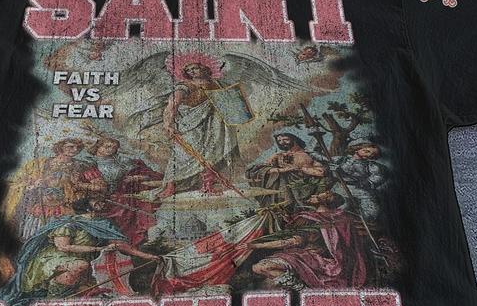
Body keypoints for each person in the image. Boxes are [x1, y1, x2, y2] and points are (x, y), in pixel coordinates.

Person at [0, 199, 161, 306]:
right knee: (79, 265)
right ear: (86, 207)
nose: (101, 203)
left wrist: (147, 256)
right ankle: (53, 300)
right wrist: (96, 250)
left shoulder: (104, 224)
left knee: (83, 269)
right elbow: (63, 246)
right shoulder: (69, 223)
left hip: (84, 257)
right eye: (96, 202)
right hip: (53, 257)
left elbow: (120, 245)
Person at [248, 191, 367, 290]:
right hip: (307, 256)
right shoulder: (332, 217)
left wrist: (257, 245)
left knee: (261, 267)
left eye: (318, 195)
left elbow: (294, 241)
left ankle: (303, 290)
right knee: (257, 268)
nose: (313, 195)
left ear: (325, 200)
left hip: (317, 260)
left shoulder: (315, 219)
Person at [158, 59, 240, 198]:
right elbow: (172, 105)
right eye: (189, 70)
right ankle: (170, 187)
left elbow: (230, 104)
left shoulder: (216, 84)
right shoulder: (185, 86)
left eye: (195, 68)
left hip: (212, 125)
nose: (192, 71)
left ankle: (208, 185)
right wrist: (168, 124)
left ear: (204, 68)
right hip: (189, 125)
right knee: (181, 156)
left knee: (211, 155)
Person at [3, 138, 106, 239]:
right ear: (60, 147)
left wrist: (79, 184)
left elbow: (101, 186)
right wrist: (35, 184)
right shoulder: (39, 164)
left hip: (66, 208)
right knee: (34, 238)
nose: (75, 150)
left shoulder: (83, 166)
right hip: (40, 207)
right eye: (70, 147)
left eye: (78, 147)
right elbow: (18, 183)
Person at [88, 137, 161, 244]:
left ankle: (141, 237)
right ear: (98, 146)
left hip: (122, 191)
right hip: (102, 195)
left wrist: (135, 178)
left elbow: (141, 172)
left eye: (114, 147)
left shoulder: (121, 160)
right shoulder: (90, 162)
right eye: (107, 146)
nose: (110, 149)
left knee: (135, 203)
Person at [246, 132, 328, 205]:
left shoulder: (308, 155)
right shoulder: (278, 156)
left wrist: (305, 170)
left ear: (294, 139)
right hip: (285, 191)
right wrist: (283, 170)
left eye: (285, 139)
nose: (282, 143)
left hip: (307, 188)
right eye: (279, 141)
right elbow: (262, 169)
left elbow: (322, 172)